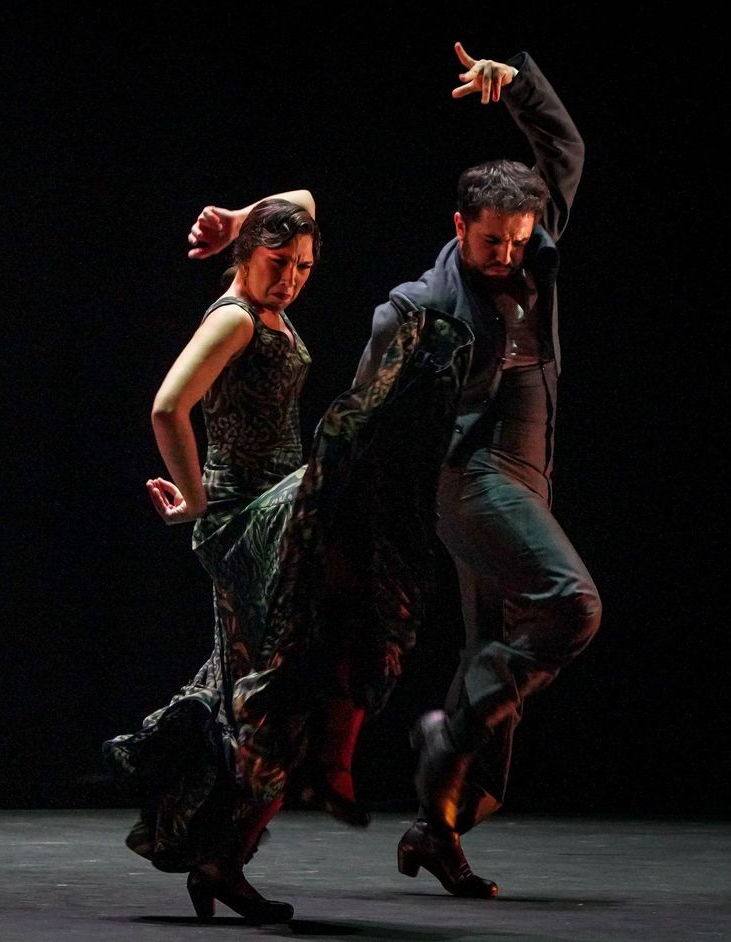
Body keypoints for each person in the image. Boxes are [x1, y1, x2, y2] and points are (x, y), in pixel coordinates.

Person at [103, 192, 472, 923]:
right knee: (351, 470)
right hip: (249, 515)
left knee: (279, 686)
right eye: (280, 262)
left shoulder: (266, 305)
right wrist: (195, 498)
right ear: (248, 258)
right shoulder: (236, 319)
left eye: (305, 266)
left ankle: (222, 857)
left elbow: (304, 198)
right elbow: (167, 406)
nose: (293, 278)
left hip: (285, 513)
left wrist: (236, 218)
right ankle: (277, 803)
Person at [354, 44, 597, 899]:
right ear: (460, 227)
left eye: (518, 241)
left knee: (493, 658)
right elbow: (360, 412)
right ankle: (447, 737)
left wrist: (519, 85)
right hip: (472, 477)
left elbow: (564, 149)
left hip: (528, 477)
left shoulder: (537, 247)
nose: (507, 254)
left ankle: (439, 825)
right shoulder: (421, 306)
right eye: (491, 240)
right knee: (572, 606)